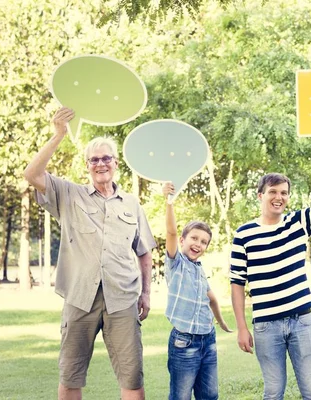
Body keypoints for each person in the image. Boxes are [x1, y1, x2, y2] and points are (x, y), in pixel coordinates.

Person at [23, 107, 156, 400]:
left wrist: (146, 293)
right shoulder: (69, 195)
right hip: (80, 298)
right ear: (87, 166)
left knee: (132, 377)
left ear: (116, 163)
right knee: (71, 375)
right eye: (94, 159)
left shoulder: (132, 204)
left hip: (122, 299)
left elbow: (144, 252)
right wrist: (59, 134)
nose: (100, 164)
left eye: (106, 158)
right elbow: (32, 174)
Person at [229, 139, 311, 400]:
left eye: (283, 192)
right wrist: (241, 327)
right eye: (272, 192)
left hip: (301, 321)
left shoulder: (297, 223)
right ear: (260, 195)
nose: (278, 197)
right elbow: (237, 283)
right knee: (272, 392)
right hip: (265, 326)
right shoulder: (244, 235)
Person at [162, 182, 232, 400]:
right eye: (194, 238)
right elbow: (171, 231)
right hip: (184, 343)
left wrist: (220, 322)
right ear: (183, 240)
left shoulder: (199, 269)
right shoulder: (176, 263)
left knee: (209, 395)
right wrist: (169, 203)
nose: (198, 244)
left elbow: (211, 298)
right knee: (181, 396)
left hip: (208, 340)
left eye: (204, 242)